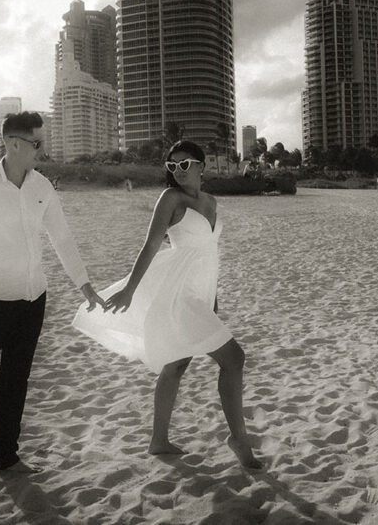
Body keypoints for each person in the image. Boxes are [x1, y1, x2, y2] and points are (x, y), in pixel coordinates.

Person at [0, 111, 103, 490]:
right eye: (36, 144)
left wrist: (84, 284)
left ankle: (6, 457)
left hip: (33, 300)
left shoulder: (42, 185)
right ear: (13, 143)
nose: (41, 151)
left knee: (16, 381)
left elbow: (61, 238)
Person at [72, 140, 261, 469]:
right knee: (234, 358)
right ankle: (238, 439)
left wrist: (212, 298)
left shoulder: (211, 201)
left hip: (200, 294)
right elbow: (151, 244)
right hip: (180, 295)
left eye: (184, 164)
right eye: (172, 166)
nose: (177, 171)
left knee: (176, 364)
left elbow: (209, 255)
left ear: (202, 166)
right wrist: (131, 289)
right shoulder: (170, 198)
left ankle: (158, 441)